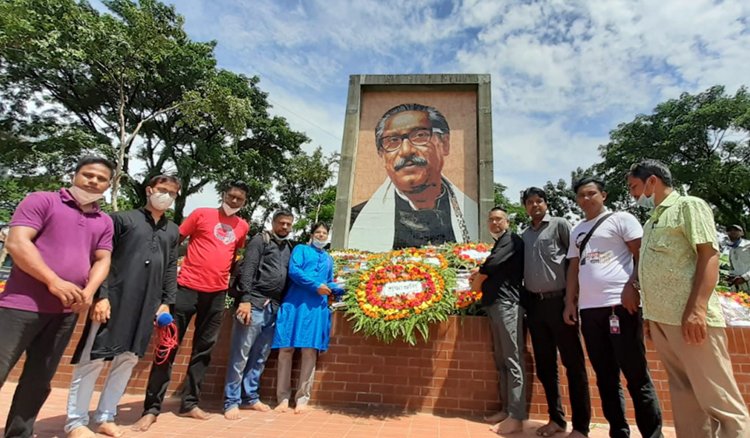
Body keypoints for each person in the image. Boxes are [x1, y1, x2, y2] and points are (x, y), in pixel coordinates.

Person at [626, 159, 749, 438]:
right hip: (662, 320)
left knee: (719, 398)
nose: (633, 195)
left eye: (635, 187)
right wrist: (650, 316)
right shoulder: (652, 220)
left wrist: (697, 310)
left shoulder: (688, 206)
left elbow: (709, 255)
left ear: (652, 181)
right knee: (685, 396)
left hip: (690, 319)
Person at [0, 156, 115, 438]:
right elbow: (17, 242)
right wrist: (53, 280)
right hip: (20, 306)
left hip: (64, 313)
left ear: (109, 185)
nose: (93, 181)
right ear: (74, 174)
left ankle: (20, 433)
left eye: (101, 179)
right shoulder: (42, 201)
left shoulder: (104, 221)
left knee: (39, 380)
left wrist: (88, 292)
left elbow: (103, 259)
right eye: (88, 174)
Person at [64, 175, 181, 438]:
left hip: (147, 304)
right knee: (93, 359)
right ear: (150, 190)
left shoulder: (173, 230)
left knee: (127, 359)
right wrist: (101, 296)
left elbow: (171, 267)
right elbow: (101, 258)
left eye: (172, 193)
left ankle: (106, 416)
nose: (166, 196)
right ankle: (76, 421)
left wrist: (165, 303)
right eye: (162, 190)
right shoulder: (121, 220)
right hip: (114, 299)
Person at [133, 180, 250, 431]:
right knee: (168, 346)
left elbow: (233, 258)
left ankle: (189, 403)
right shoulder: (201, 215)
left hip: (217, 295)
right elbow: (175, 241)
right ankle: (151, 408)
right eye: (231, 196)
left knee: (203, 350)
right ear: (224, 195)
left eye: (239, 199)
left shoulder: (242, 226)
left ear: (244, 202)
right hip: (186, 288)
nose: (234, 202)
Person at [563, 177, 662, 438]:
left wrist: (635, 285)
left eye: (591, 193)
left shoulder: (622, 219)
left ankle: (653, 434)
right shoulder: (577, 230)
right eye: (581, 195)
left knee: (636, 376)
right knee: (606, 377)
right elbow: (573, 269)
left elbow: (642, 254)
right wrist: (569, 302)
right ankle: (618, 432)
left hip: (620, 306)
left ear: (603, 195)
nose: (586, 199)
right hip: (589, 310)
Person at [348, 103, 478, 251]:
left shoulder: (476, 215)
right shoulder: (356, 219)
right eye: (392, 140)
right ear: (382, 155)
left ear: (444, 143)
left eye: (420, 135)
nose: (406, 151)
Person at [521, 186, 590, 438]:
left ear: (546, 204)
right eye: (530, 202)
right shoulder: (525, 234)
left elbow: (574, 261)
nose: (535, 205)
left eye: (539, 201)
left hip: (560, 302)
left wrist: (573, 300)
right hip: (535, 306)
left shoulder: (560, 225)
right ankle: (556, 419)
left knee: (573, 364)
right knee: (545, 366)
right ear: (525, 207)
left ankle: (581, 426)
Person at [222, 210, 294, 419]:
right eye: (281, 223)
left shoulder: (288, 247)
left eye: (289, 224)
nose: (285, 227)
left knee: (260, 356)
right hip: (253, 303)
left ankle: (250, 396)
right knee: (241, 354)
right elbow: (249, 269)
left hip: (273, 307)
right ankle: (231, 401)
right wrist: (244, 300)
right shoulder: (259, 240)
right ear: (273, 223)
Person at [272, 222, 342, 414]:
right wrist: (315, 285)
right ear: (311, 235)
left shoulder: (328, 258)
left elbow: (328, 282)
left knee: (309, 352)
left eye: (324, 233)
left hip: (315, 309)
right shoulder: (301, 250)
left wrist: (345, 287)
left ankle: (303, 398)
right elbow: (295, 272)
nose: (321, 235)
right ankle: (282, 398)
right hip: (294, 304)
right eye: (317, 232)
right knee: (286, 350)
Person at [471, 208, 527, 434]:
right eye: (491, 219)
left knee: (512, 359)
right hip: (495, 305)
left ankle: (516, 416)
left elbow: (491, 266)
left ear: (507, 221)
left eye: (498, 219)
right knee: (502, 360)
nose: (494, 223)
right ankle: (506, 410)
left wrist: (477, 280)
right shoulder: (499, 242)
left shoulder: (511, 240)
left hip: (508, 305)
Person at [727, 224, 750, 292]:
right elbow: (732, 268)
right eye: (729, 230)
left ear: (742, 233)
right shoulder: (732, 250)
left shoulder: (748, 245)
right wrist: (731, 276)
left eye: (736, 230)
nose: (732, 232)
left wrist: (744, 278)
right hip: (738, 288)